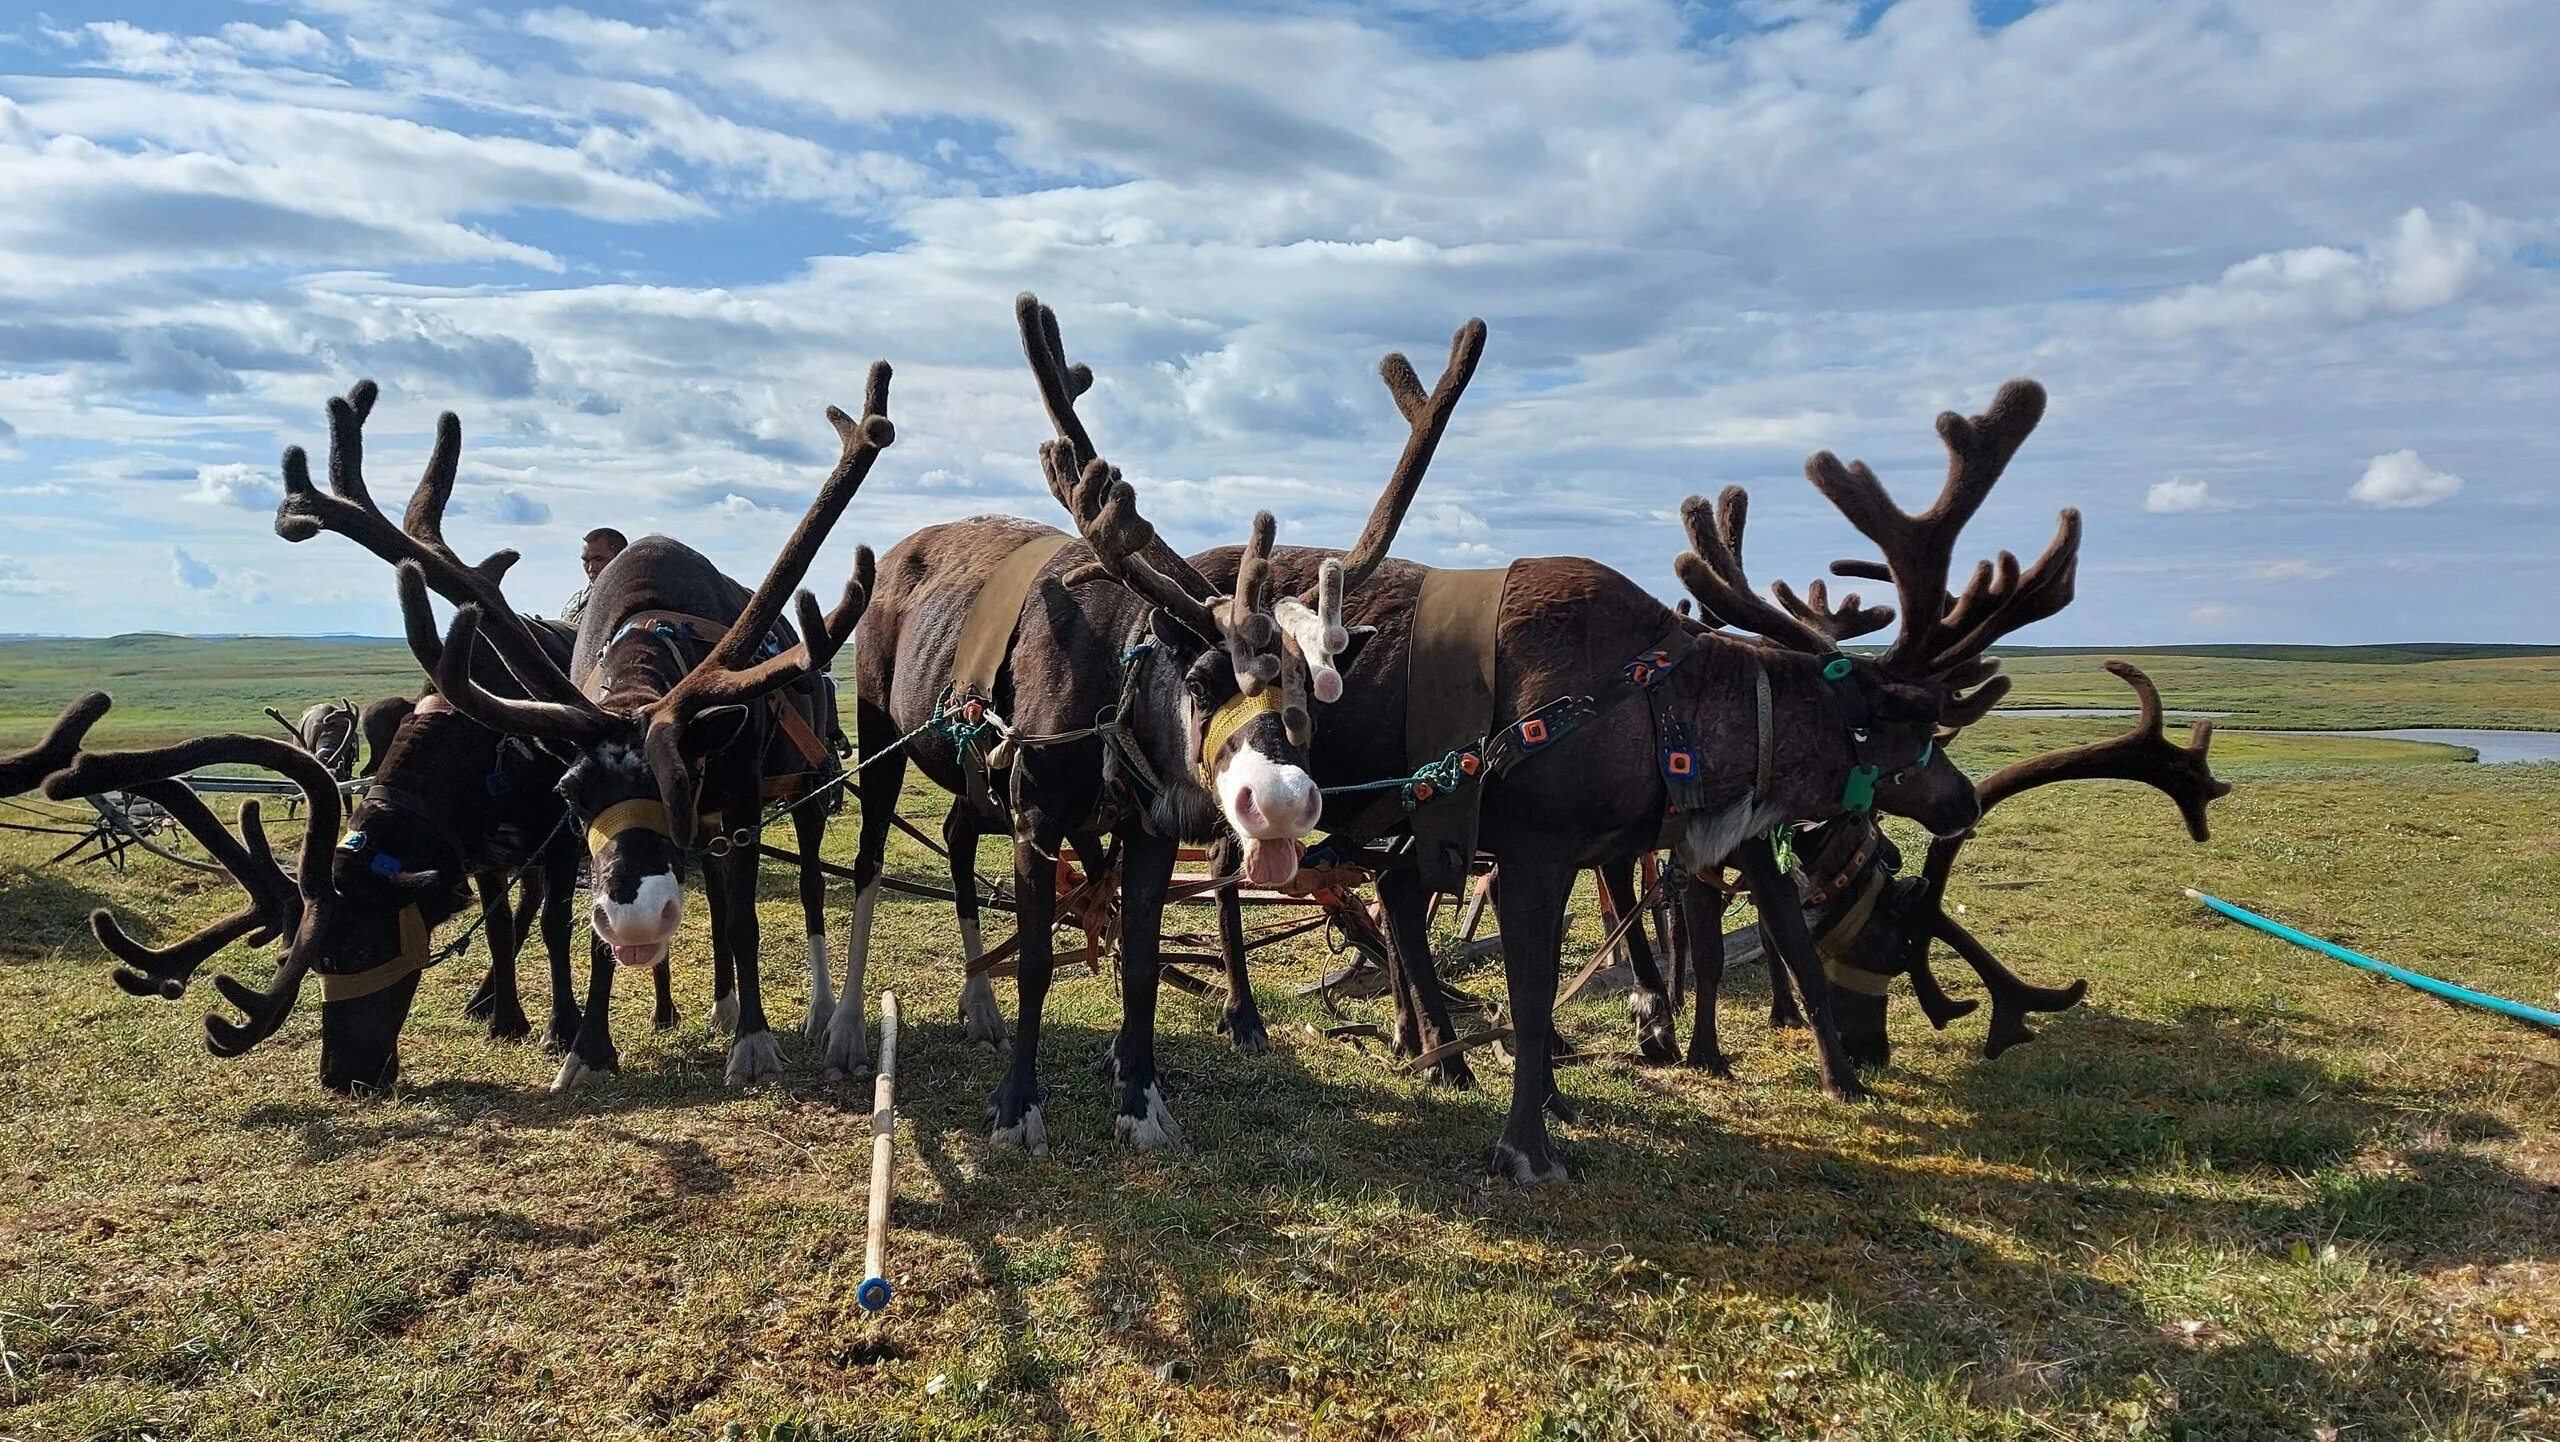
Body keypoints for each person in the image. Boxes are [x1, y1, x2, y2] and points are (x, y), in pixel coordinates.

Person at [560, 528, 627, 624]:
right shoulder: (577, 600)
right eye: (586, 561)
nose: (591, 568)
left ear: (620, 559)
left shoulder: (631, 600)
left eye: (599, 559)